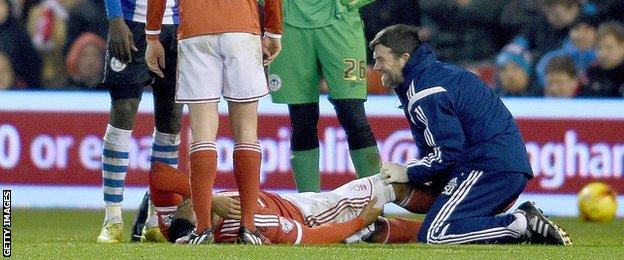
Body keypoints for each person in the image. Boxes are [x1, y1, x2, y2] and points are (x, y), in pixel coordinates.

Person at [370, 24, 571, 245]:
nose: (376, 66)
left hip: (487, 168)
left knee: (436, 233)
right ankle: (518, 228)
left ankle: (520, 224)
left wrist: (408, 171)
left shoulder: (425, 91)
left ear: (404, 58)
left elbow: (448, 153)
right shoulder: (433, 76)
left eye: (381, 59)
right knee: (444, 227)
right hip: (497, 165)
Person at [145, 0, 283, 245]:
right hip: (242, 26)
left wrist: (153, 35)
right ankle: (248, 228)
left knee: (203, 133)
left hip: (196, 28)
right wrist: (273, 30)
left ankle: (203, 228)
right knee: (247, 132)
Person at [146, 162, 427, 245]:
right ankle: (446, 222)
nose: (188, 201)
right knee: (391, 184)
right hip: (314, 213)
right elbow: (310, 237)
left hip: (290, 201)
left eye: (188, 202)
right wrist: (358, 222)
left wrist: (210, 197)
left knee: (376, 231)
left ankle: (435, 228)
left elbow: (158, 173)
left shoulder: (176, 226)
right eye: (196, 206)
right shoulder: (253, 223)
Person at [267, 0, 382, 193]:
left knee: (354, 118)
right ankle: (309, 207)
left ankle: (376, 203)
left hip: (340, 23)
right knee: (302, 121)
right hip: (291, 25)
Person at [96, 0, 182, 243]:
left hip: (176, 26)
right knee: (123, 112)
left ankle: (154, 220)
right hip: (131, 22)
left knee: (171, 122)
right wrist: (115, 19)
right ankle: (112, 219)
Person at [585, 21, 624, 97]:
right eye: (598, 48)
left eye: (609, 48)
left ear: (622, 47)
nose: (601, 53)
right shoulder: (593, 72)